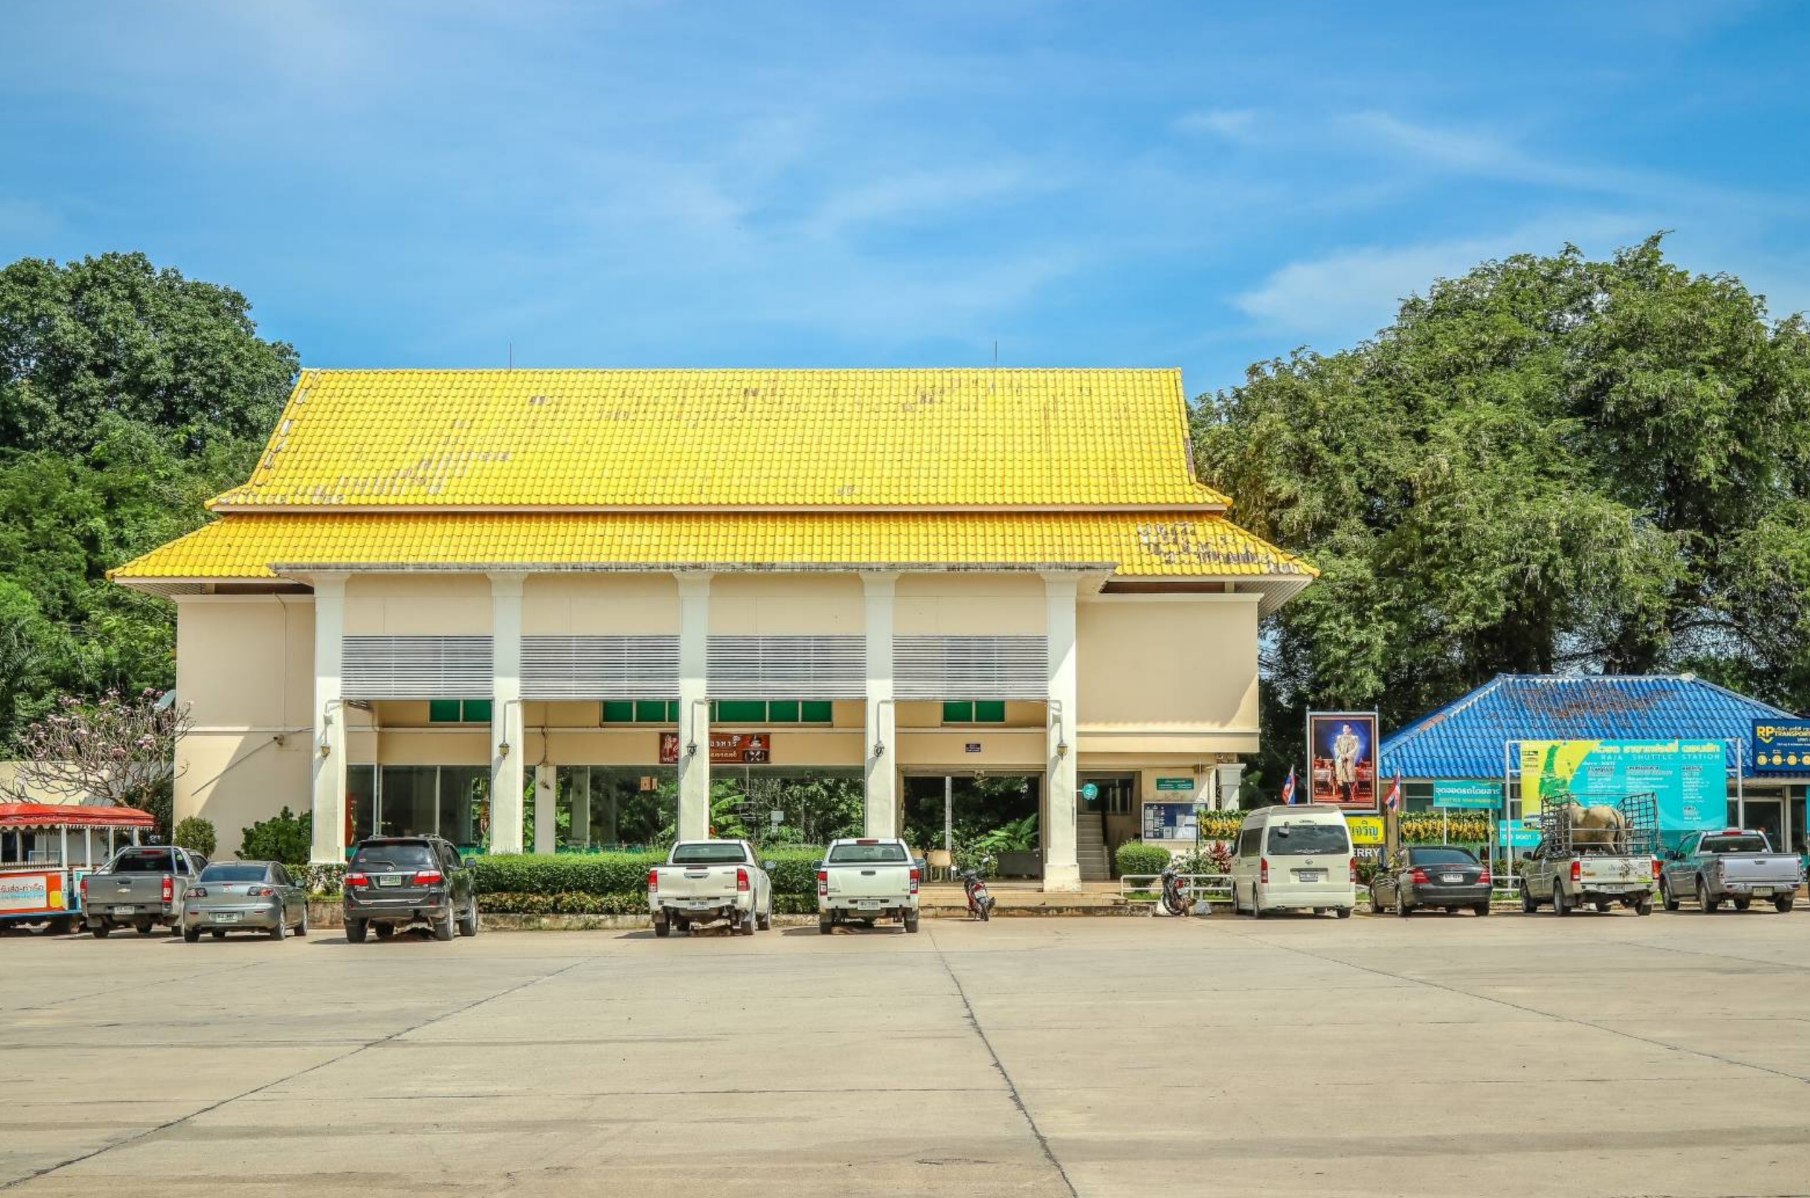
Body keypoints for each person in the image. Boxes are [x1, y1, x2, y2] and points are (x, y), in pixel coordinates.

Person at [1333, 723, 1362, 803]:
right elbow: (1336, 747)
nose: (1345, 730)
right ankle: (1345, 795)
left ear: (1350, 729)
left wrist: (1347, 756)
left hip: (1349, 761)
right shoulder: (1339, 738)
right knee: (1342, 779)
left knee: (1348, 778)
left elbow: (1356, 748)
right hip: (1341, 761)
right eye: (1344, 728)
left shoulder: (1354, 738)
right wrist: (1341, 755)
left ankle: (1347, 797)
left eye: (1346, 728)